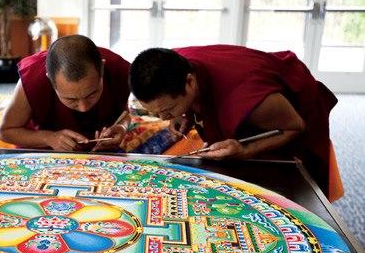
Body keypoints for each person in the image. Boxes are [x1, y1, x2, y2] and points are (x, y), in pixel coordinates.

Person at [129, 45, 340, 198]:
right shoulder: (169, 66)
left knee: (284, 195)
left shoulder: (247, 97)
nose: (164, 119)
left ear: (190, 82)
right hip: (245, 91)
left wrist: (245, 150)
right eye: (156, 113)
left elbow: (295, 126)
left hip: (295, 115)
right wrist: (183, 114)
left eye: (167, 110)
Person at [0, 35, 131, 152]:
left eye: (92, 94)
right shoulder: (33, 79)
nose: (84, 108)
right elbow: (5, 131)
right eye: (71, 99)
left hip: (101, 153)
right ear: (49, 79)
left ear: (102, 68)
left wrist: (122, 127)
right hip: (46, 153)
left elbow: (125, 114)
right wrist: (48, 138)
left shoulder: (118, 69)